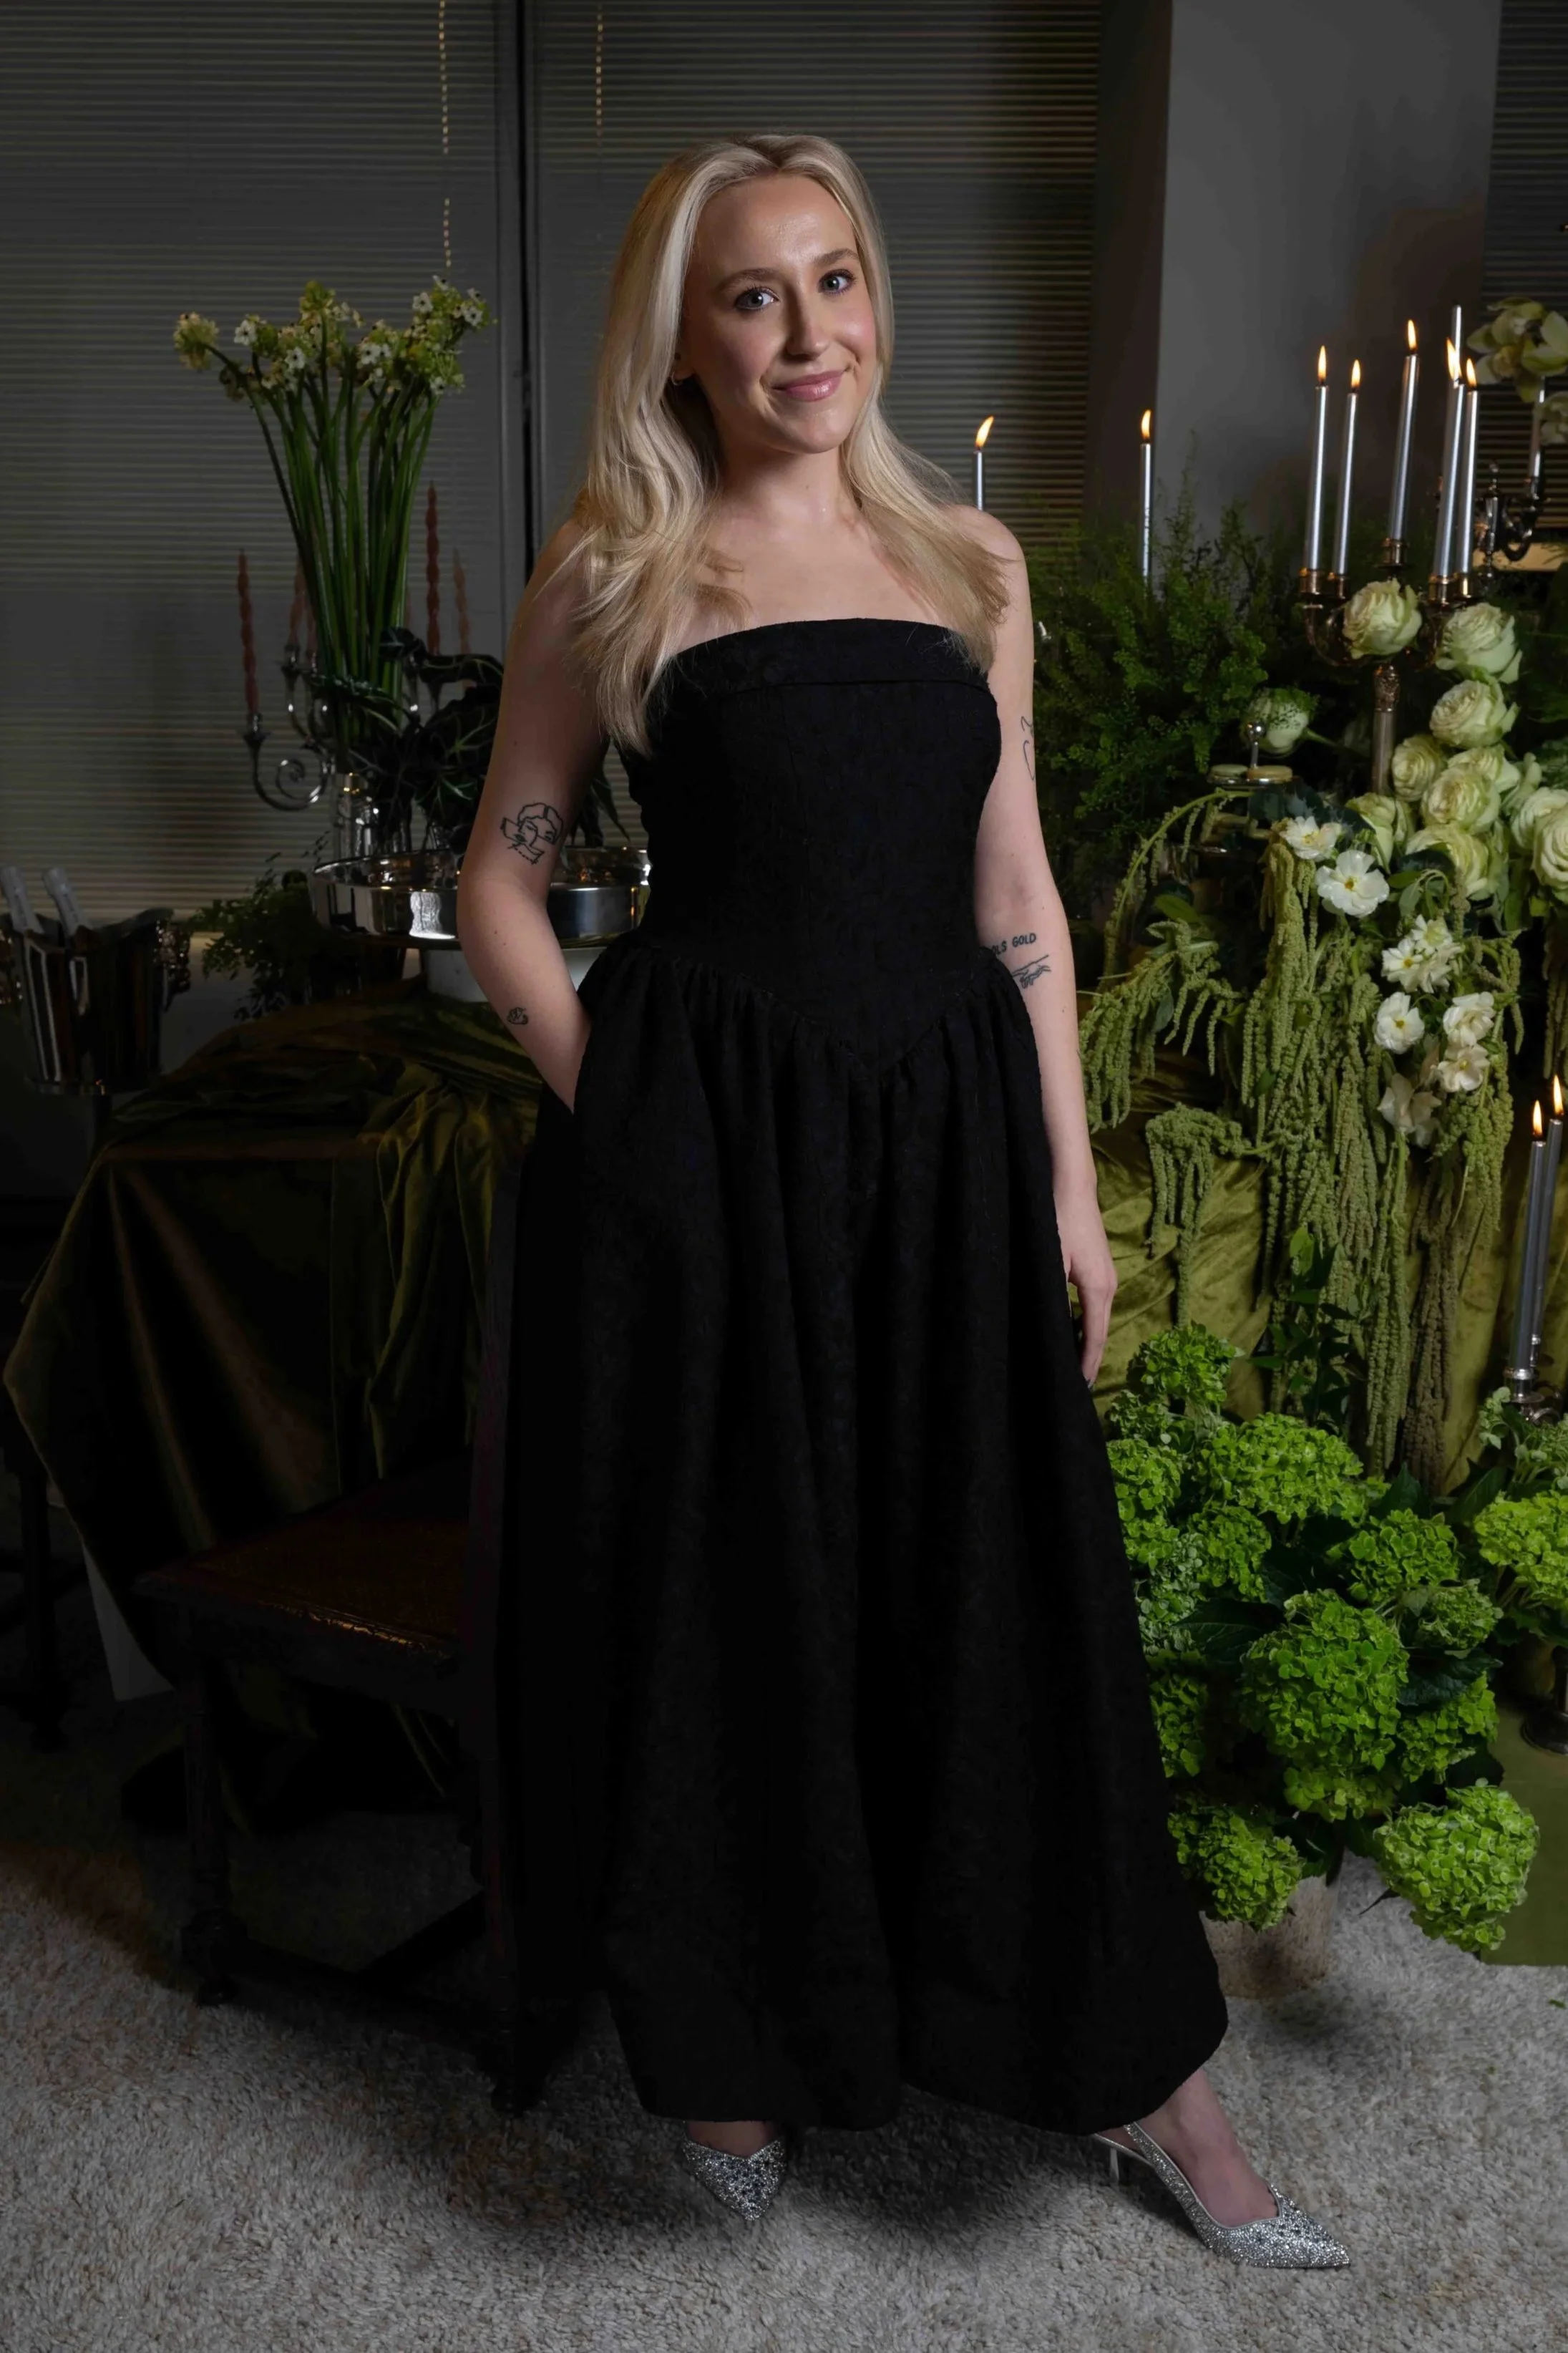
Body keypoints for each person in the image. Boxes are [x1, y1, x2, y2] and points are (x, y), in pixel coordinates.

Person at [457, 132, 1349, 2268]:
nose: (805, 333)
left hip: (949, 1145)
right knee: (733, 1592)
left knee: (998, 1590)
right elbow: (501, 869)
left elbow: (1015, 889)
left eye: (834, 280)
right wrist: (618, 1109)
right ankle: (731, 2036)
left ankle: (1147, 2069)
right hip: (710, 1147)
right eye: (753, 294)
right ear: (680, 333)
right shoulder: (616, 564)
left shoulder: (971, 562)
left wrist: (1071, 1179)